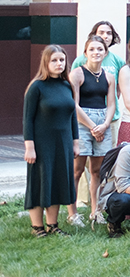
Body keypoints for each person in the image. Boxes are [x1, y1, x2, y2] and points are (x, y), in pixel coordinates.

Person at [24, 46, 79, 237]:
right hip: (41, 144)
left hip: (62, 143)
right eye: (54, 60)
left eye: (62, 60)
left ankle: (52, 225)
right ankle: (37, 227)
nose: (59, 64)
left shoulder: (66, 86)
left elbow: (72, 116)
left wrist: (75, 142)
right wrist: (29, 147)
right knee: (40, 182)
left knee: (56, 181)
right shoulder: (36, 87)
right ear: (46, 63)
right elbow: (28, 119)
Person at [69, 37, 117, 226]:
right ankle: (72, 213)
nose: (96, 52)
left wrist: (104, 125)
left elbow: (112, 103)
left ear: (105, 52)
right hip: (82, 122)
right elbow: (74, 104)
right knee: (77, 170)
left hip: (102, 121)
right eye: (92, 49)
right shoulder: (77, 74)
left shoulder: (109, 76)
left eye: (100, 49)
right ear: (85, 52)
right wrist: (92, 126)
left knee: (97, 170)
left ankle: (95, 211)